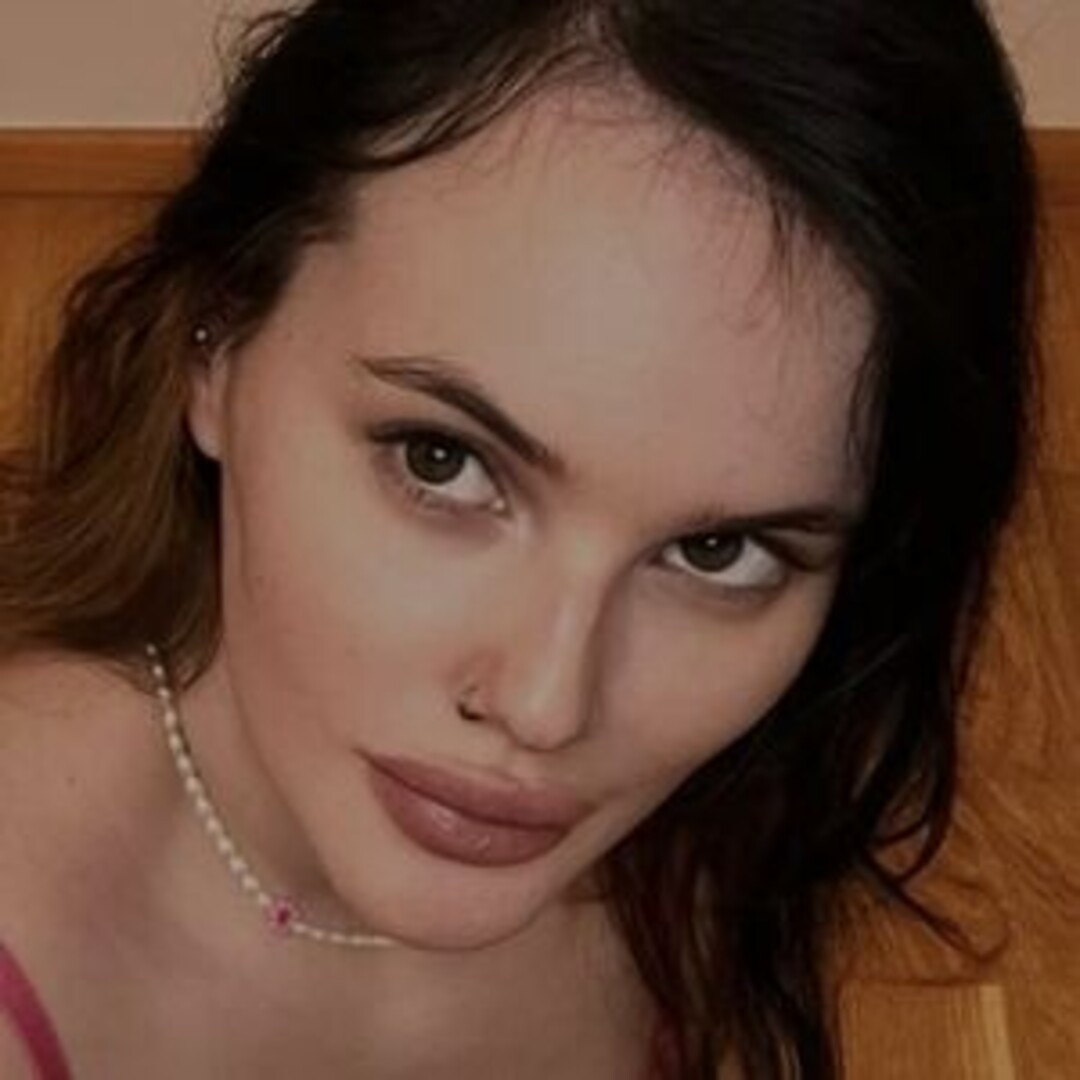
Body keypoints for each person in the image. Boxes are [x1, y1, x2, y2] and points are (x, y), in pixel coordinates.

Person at [0, 1, 1040, 1077]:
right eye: (441, 461)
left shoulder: (722, 821)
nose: (549, 707)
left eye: (718, 553)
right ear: (216, 344)